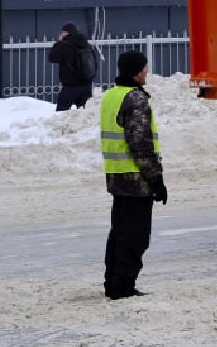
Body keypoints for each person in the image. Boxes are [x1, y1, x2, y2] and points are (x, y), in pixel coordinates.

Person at [99, 50, 166, 301]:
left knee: (118, 233)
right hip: (136, 179)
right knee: (135, 236)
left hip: (117, 176)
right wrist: (156, 180)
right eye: (145, 68)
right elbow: (140, 144)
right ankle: (123, 287)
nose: (147, 72)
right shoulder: (135, 99)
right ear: (137, 72)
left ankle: (113, 283)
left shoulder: (111, 96)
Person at [48, 22, 100, 112]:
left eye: (63, 32)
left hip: (71, 85)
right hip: (86, 84)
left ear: (66, 33)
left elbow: (52, 57)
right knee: (85, 113)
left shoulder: (65, 45)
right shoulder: (87, 45)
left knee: (61, 113)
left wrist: (58, 43)